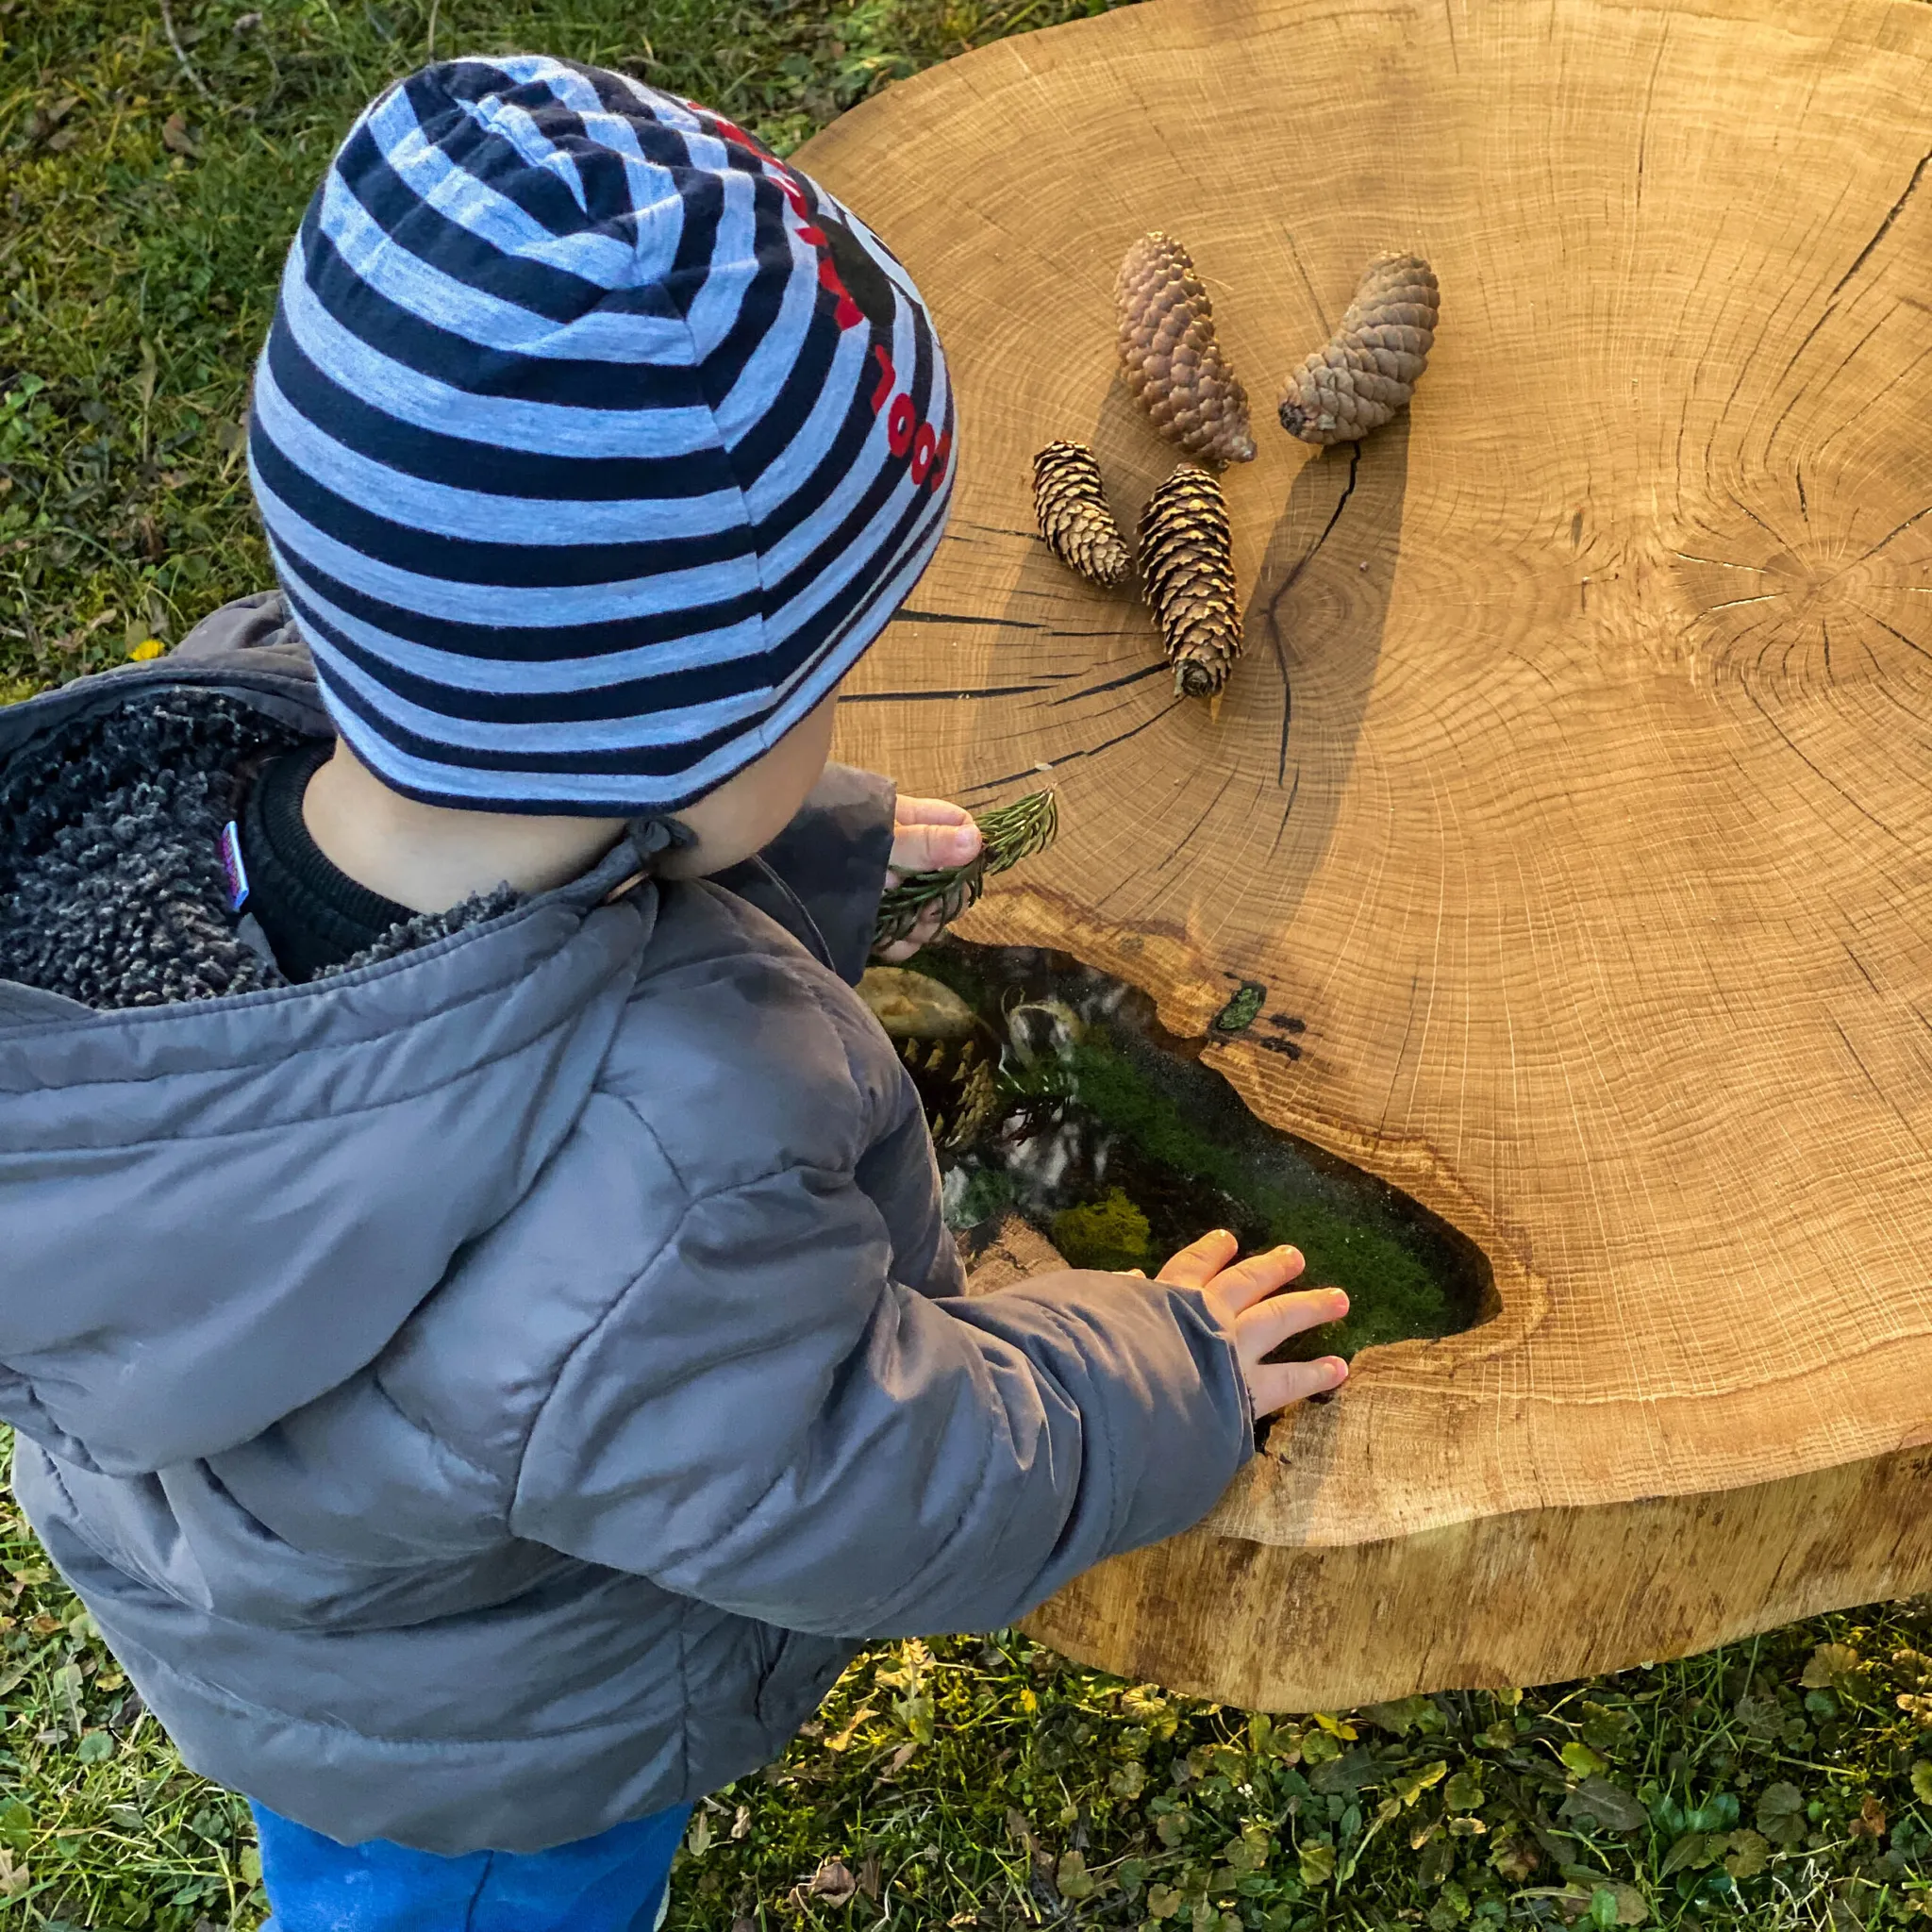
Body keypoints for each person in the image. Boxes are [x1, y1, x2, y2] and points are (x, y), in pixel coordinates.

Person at [0, 55, 1348, 1932]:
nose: (833, 722)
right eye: (817, 695)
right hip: (484, 1757)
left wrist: (820, 843)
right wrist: (1156, 1381)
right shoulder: (645, 1177)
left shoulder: (241, 730)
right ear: (692, 743)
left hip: (312, 1605)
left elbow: (573, 812)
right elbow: (868, 1472)